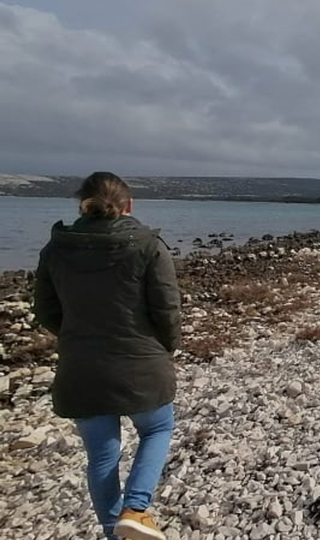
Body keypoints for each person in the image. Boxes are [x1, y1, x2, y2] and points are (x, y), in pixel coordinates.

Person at [33, 172, 181, 540]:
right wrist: (165, 347)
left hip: (81, 369)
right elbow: (167, 310)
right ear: (128, 205)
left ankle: (115, 534)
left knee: (102, 457)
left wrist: (76, 337)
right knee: (158, 427)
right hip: (141, 365)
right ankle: (136, 509)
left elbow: (47, 312)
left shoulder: (55, 249)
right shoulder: (148, 245)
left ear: (82, 205)